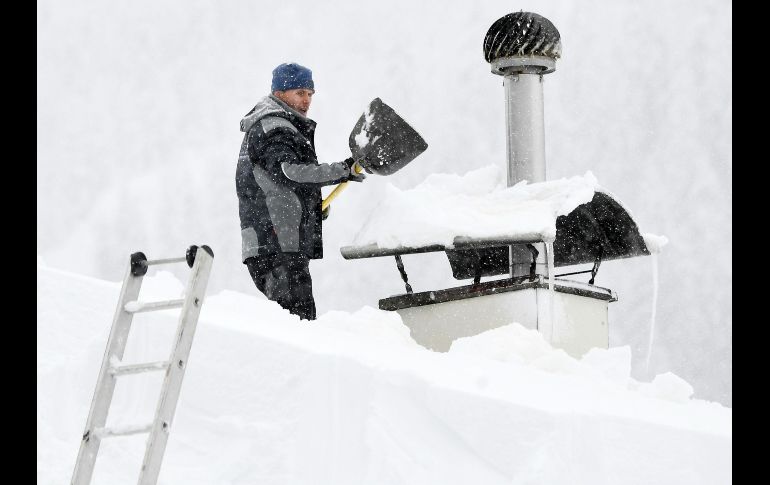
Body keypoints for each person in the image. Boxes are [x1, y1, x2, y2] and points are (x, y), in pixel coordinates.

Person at [236, 62, 365, 320]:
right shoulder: (274, 127)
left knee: (295, 322)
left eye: (310, 94)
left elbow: (278, 186)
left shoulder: (280, 125)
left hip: (276, 244)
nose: (307, 100)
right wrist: (342, 170)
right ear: (279, 93)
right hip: (275, 244)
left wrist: (312, 208)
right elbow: (289, 172)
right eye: (299, 93)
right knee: (298, 326)